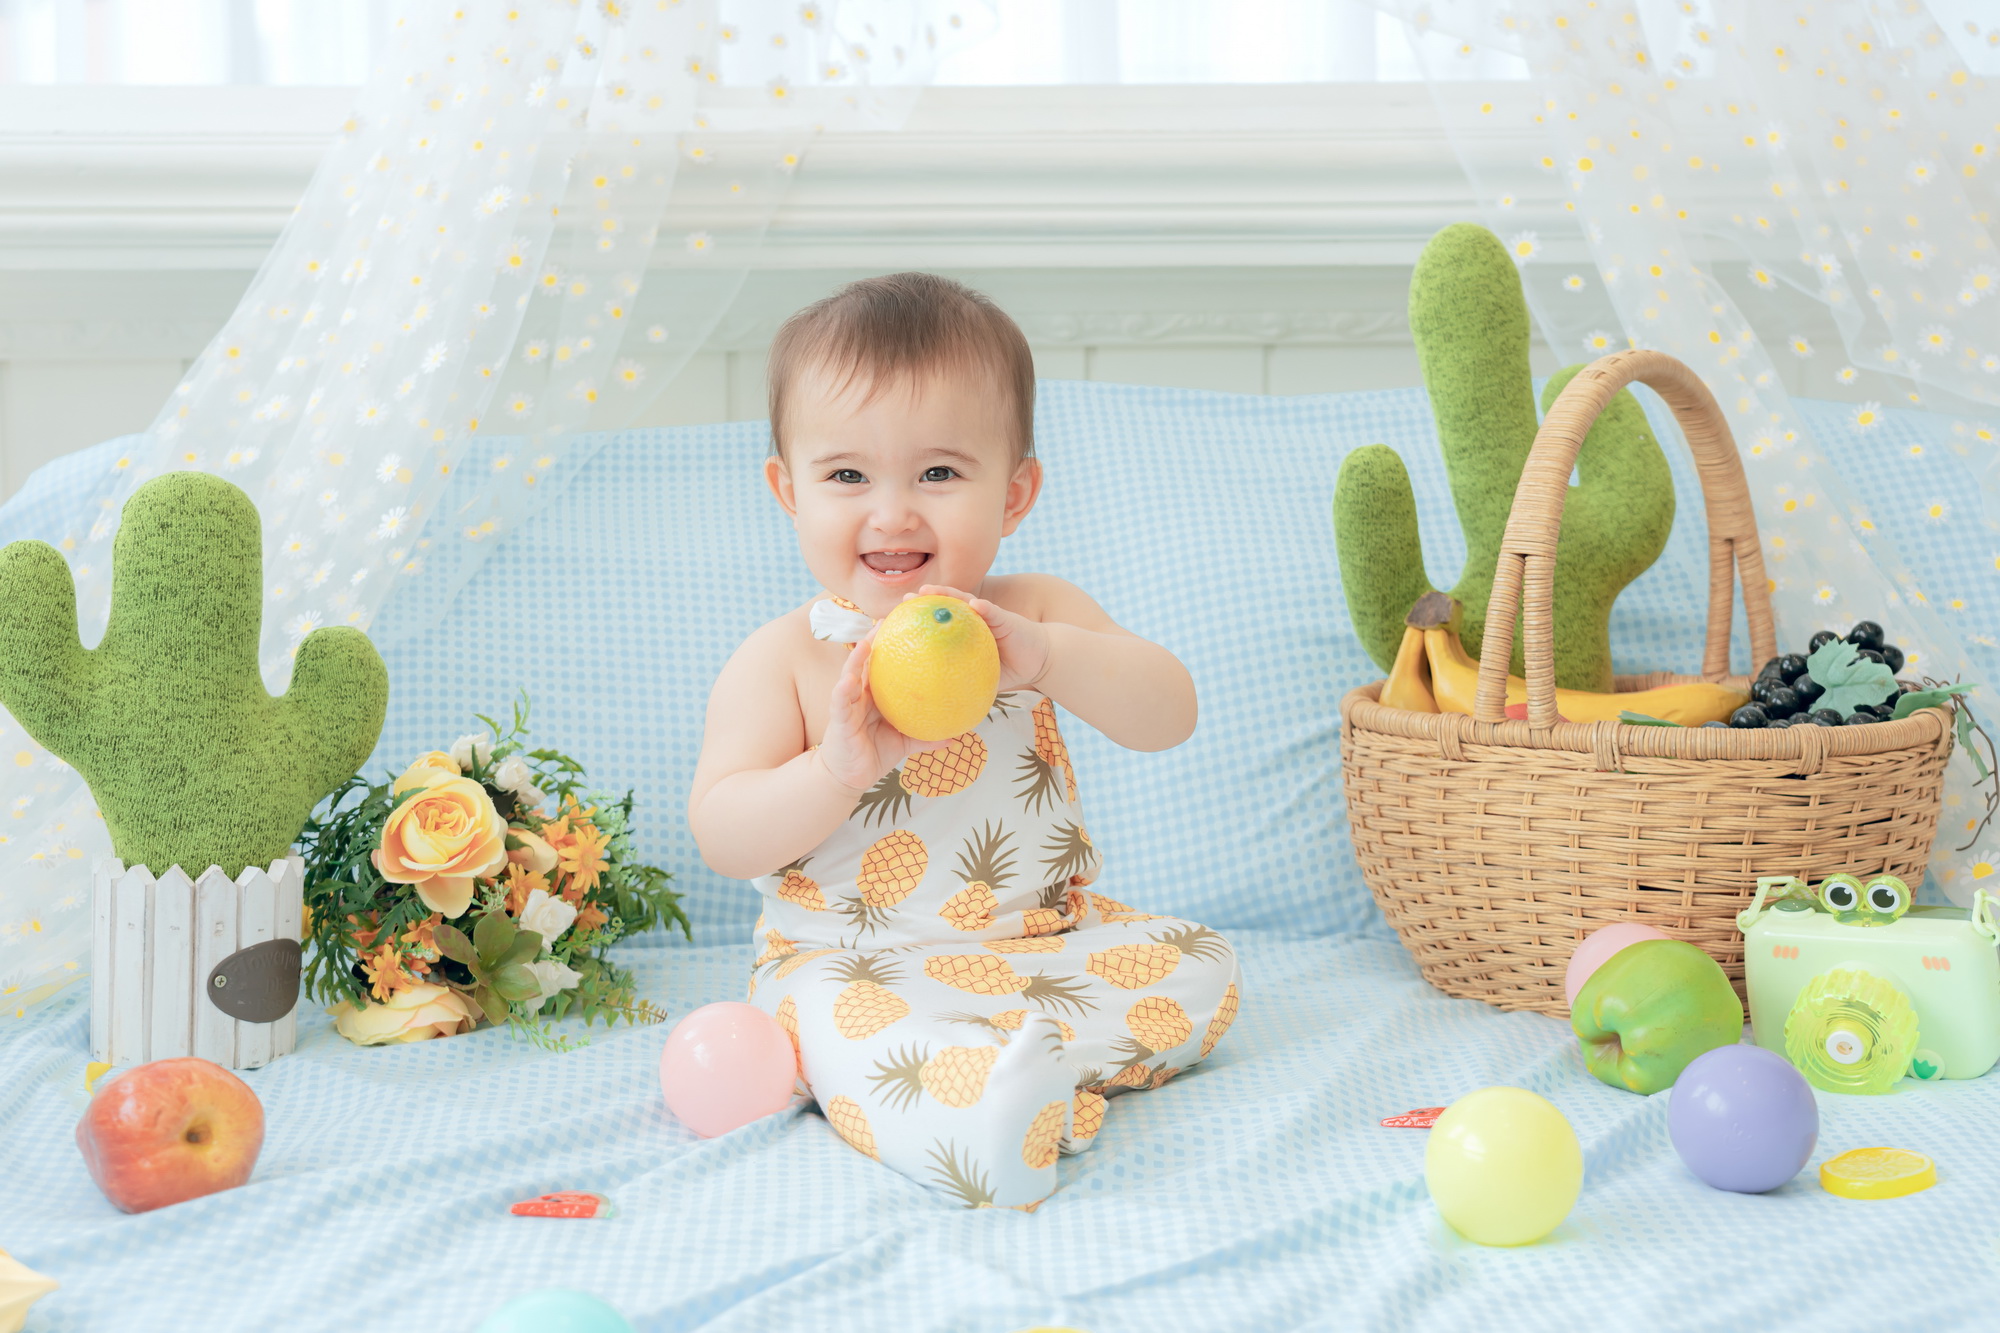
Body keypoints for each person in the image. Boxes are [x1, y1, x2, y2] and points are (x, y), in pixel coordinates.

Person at [688, 272, 1240, 1209]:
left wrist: (1051, 658)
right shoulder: (785, 657)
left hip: (1035, 952)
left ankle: (1006, 1072)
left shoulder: (1035, 614)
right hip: (852, 967)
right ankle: (980, 1119)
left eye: (939, 474)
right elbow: (723, 831)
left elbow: (1169, 713)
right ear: (789, 490)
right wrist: (834, 769)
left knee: (1203, 964)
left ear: (1015, 494)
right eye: (847, 475)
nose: (894, 512)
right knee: (825, 1025)